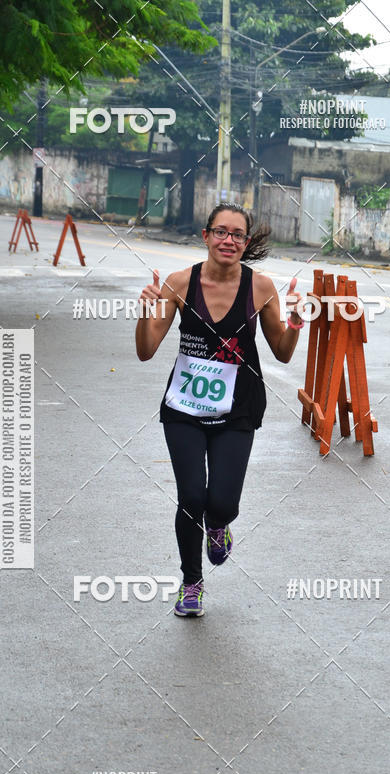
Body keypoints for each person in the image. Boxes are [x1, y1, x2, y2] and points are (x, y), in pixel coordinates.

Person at [136, 202, 304, 617]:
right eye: (221, 232)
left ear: (246, 242)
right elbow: (145, 350)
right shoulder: (180, 283)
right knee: (192, 495)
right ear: (206, 236)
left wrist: (296, 322)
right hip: (185, 407)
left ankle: (218, 525)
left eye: (237, 234)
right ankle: (191, 583)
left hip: (238, 408)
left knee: (223, 503)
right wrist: (143, 315)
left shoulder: (260, 288)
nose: (229, 240)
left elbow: (282, 353)